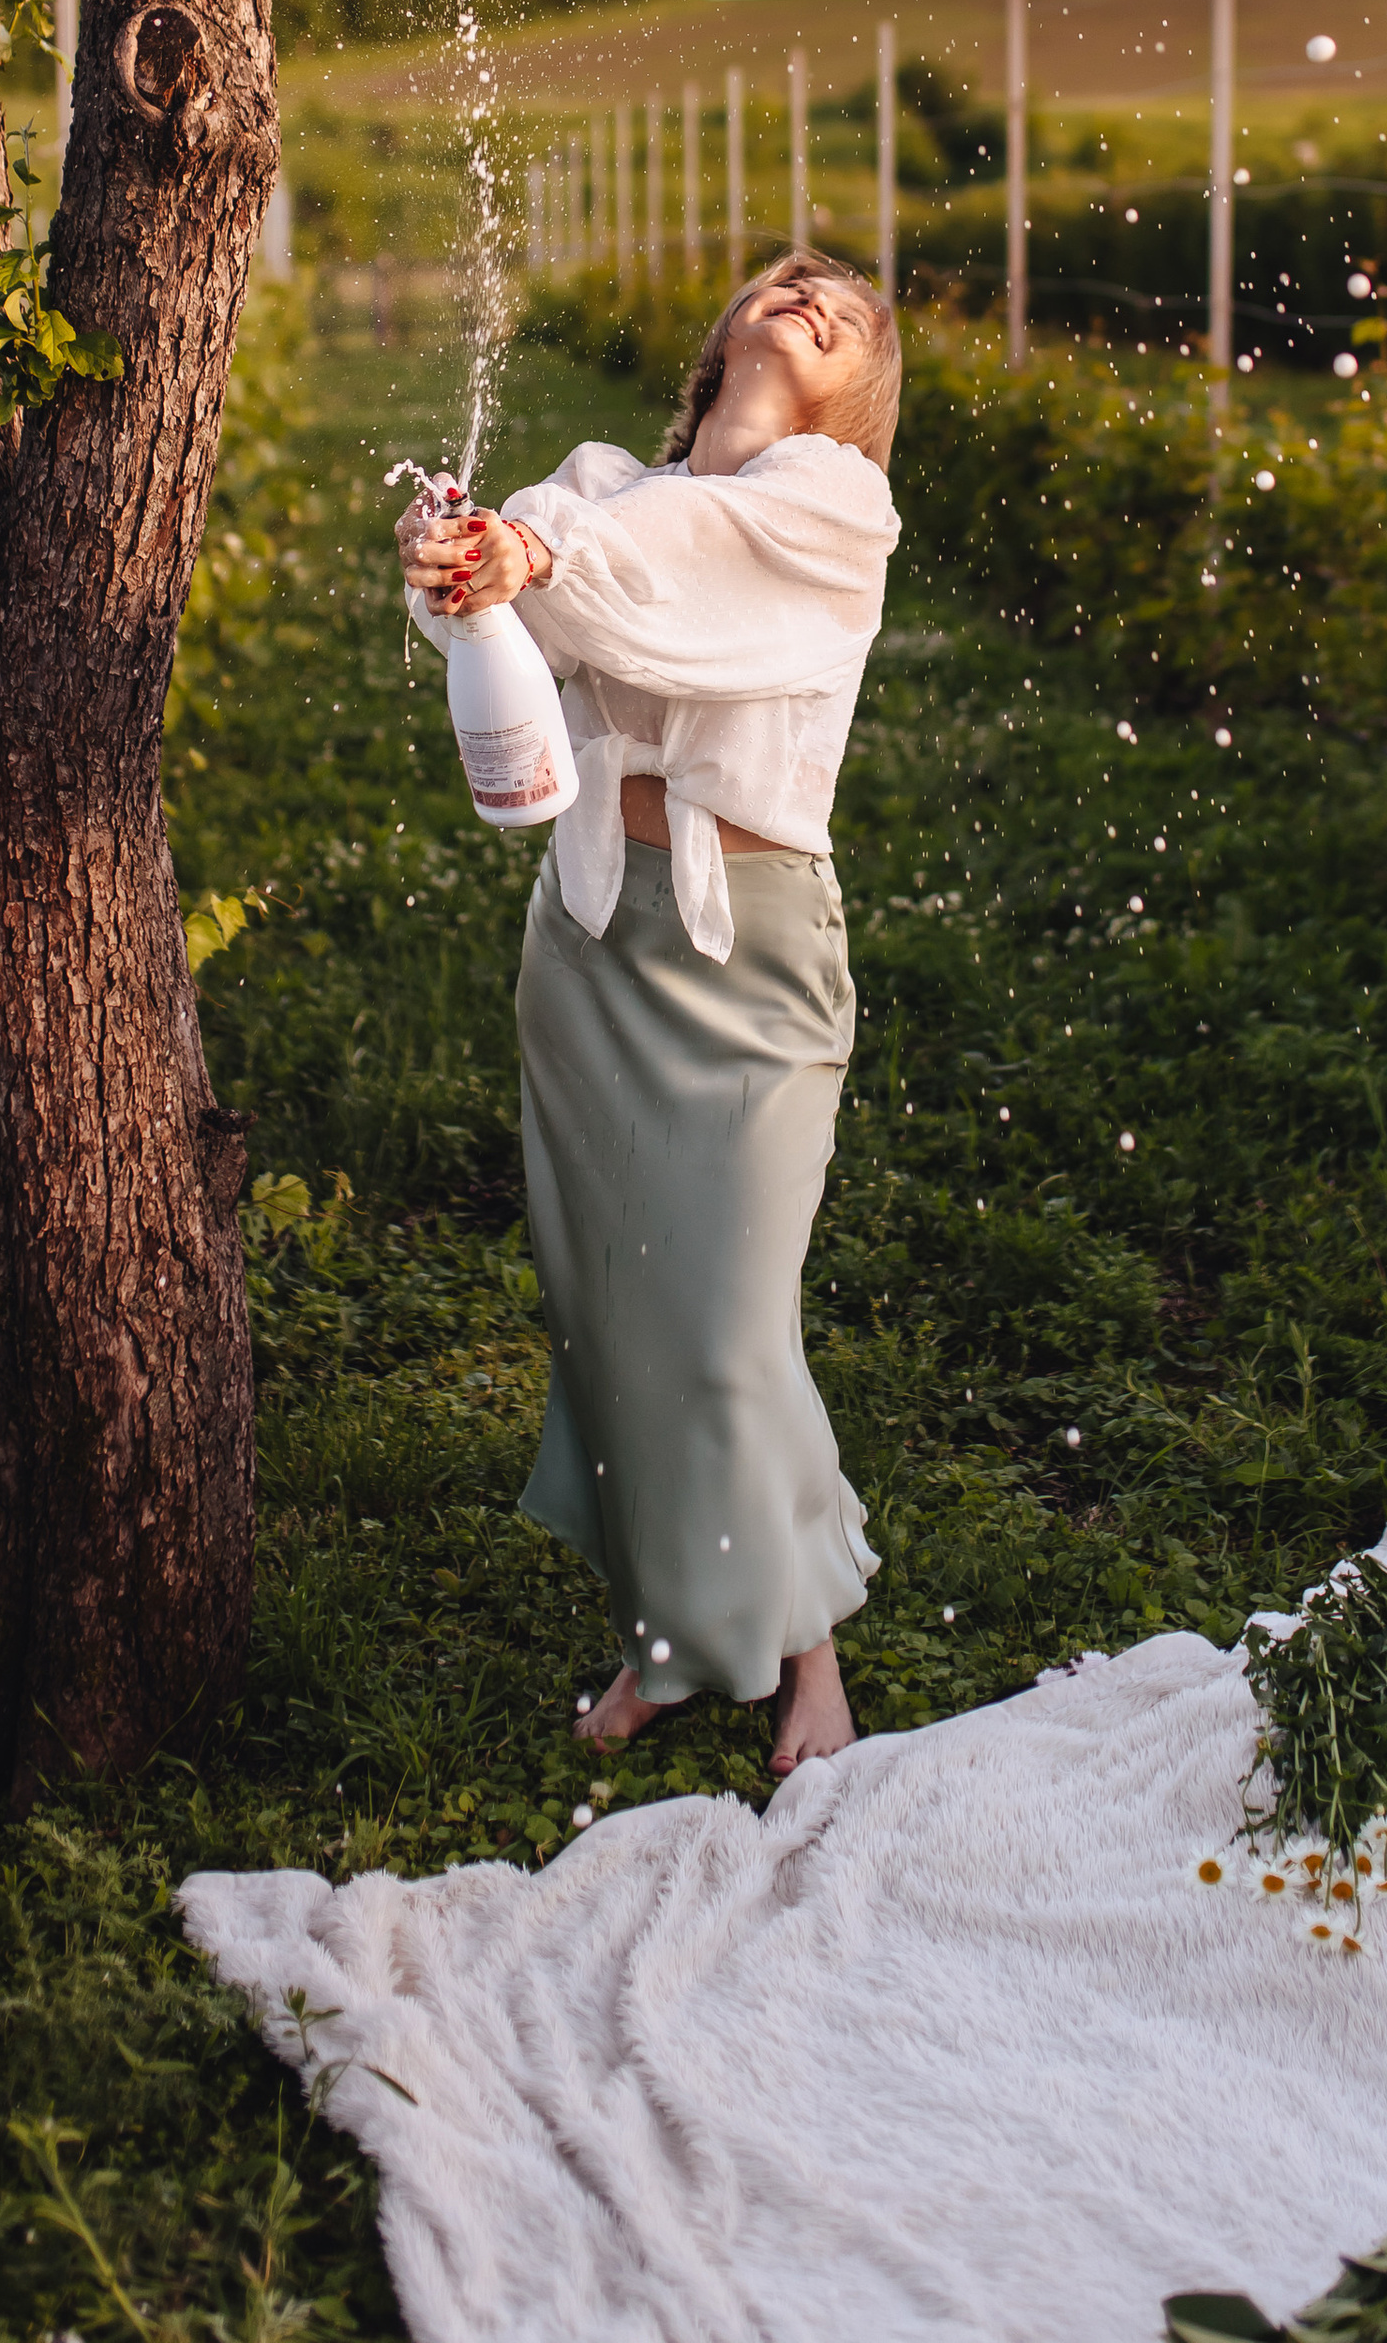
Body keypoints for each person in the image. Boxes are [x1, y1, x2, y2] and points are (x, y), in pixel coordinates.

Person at [397, 250, 902, 1777]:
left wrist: (542, 566)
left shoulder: (830, 508)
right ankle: (670, 1644)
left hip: (745, 963)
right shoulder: (601, 488)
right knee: (615, 1315)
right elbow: (526, 617)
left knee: (728, 1326)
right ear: (727, 327)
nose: (816, 293)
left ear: (861, 384)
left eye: (853, 310)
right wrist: (464, 565)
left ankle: (806, 1654)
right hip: (592, 943)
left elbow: (676, 577)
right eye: (790, 276)